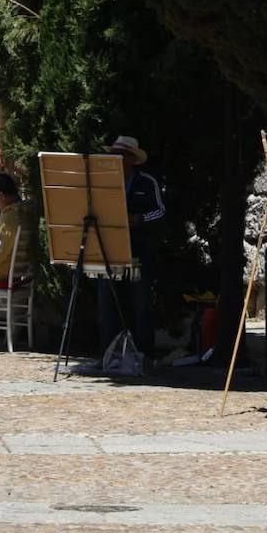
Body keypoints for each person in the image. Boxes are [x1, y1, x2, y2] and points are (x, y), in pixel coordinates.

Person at [98, 135, 166, 368]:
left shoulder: (147, 182)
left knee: (141, 303)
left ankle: (145, 357)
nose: (116, 159)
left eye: (121, 155)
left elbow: (160, 211)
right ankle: (108, 355)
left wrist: (140, 219)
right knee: (107, 302)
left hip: (139, 251)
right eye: (114, 154)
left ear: (132, 160)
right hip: (111, 250)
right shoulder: (104, 181)